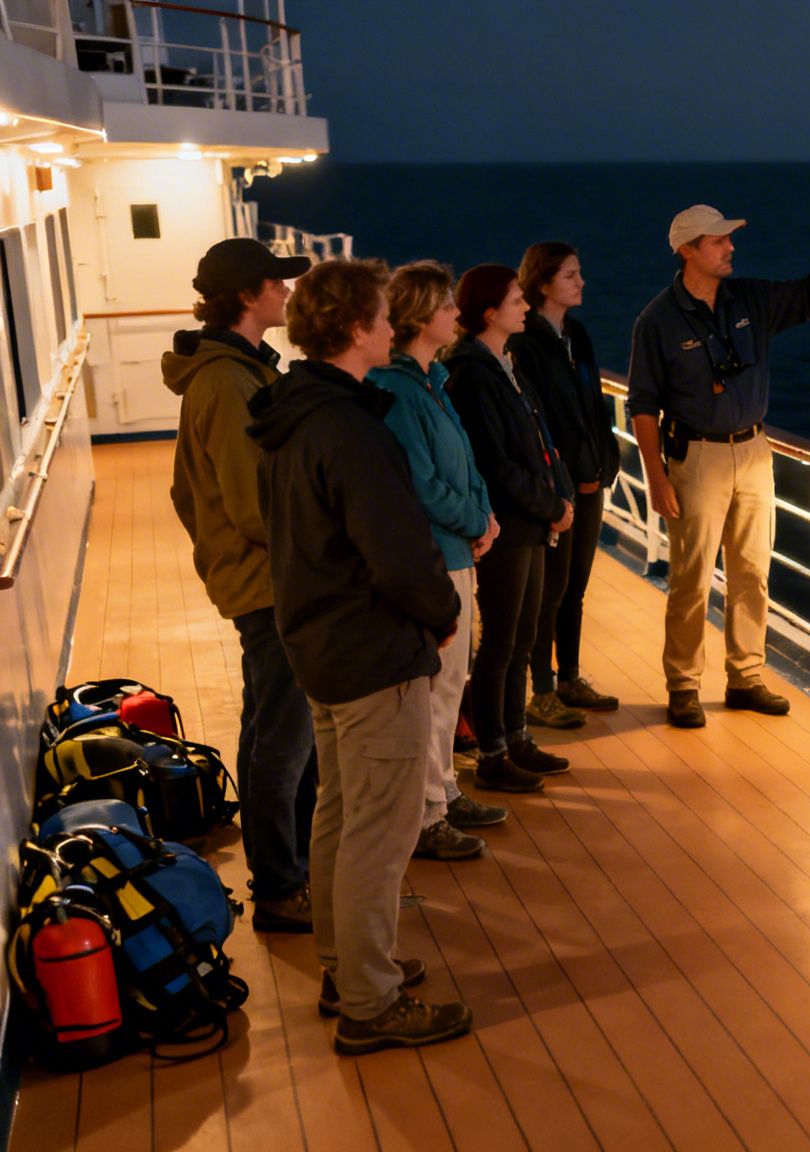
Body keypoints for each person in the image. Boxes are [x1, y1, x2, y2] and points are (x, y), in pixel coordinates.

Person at [245, 257, 471, 1054]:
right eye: (381, 314)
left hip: (319, 644)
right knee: (381, 828)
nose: (390, 323)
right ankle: (371, 1005)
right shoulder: (349, 429)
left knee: (340, 815)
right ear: (354, 330)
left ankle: (347, 966)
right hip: (372, 652)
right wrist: (441, 613)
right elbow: (400, 554)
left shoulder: (290, 414)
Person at [626, 205, 810, 728]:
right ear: (688, 250)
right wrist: (655, 477)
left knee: (752, 572)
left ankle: (745, 677)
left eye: (728, 239)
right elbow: (643, 406)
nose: (730, 248)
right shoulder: (657, 320)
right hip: (696, 457)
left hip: (754, 451)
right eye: (719, 241)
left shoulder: (750, 299)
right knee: (692, 578)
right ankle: (683, 685)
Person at [163, 237, 316, 934]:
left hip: (263, 577)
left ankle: (296, 871)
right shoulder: (226, 382)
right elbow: (252, 505)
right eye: (276, 285)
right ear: (249, 295)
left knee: (274, 731)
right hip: (269, 582)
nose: (286, 294)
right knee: (280, 741)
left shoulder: (242, 371)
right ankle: (282, 889)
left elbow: (187, 495)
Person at [367, 260, 509, 860]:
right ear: (422, 316)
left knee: (451, 688)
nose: (457, 313)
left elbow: (465, 465)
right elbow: (422, 484)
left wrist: (484, 515)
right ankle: (426, 816)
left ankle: (445, 788)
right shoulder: (400, 392)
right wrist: (478, 521)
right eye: (448, 307)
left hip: (460, 550)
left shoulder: (433, 380)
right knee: (433, 692)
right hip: (438, 555)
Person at [444, 264, 573, 790]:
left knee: (523, 637)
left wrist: (559, 496)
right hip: (510, 524)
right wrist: (549, 506)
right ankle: (493, 752)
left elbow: (540, 437)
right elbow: (496, 463)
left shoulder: (506, 363)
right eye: (517, 300)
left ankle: (517, 737)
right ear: (490, 311)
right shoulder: (473, 374)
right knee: (500, 640)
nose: (525, 306)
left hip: (533, 521)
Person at [509, 242, 621, 729]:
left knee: (575, 586)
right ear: (544, 283)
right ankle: (542, 689)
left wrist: (607, 458)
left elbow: (594, 402)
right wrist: (558, 480)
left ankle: (571, 676)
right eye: (571, 275)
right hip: (559, 485)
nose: (581, 282)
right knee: (548, 590)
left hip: (591, 478)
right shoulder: (526, 342)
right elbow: (537, 420)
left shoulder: (576, 334)